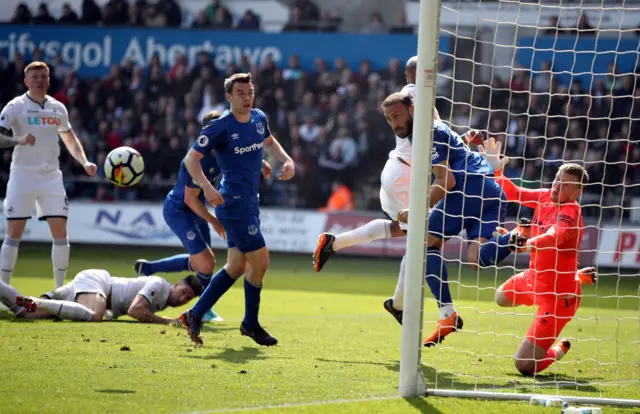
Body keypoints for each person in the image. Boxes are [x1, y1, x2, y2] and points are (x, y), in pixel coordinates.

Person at [379, 91, 513, 347]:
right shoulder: (437, 129)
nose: (394, 124)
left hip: (466, 188)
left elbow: (446, 181)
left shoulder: (425, 133)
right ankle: (515, 238)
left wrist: (418, 209)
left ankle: (447, 315)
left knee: (422, 245)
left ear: (412, 110)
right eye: (388, 119)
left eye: (396, 116)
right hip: (492, 191)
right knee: (477, 258)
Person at [178, 73, 295, 346]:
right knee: (261, 261)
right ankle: (250, 323)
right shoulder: (220, 126)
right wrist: (207, 188)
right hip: (233, 203)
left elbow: (269, 142)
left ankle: (194, 315)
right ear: (229, 97)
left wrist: (286, 161)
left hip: (250, 200)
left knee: (237, 265)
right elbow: (191, 159)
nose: (246, 97)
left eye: (250, 92)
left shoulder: (258, 118)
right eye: (240, 93)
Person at [134, 110, 273, 323]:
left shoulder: (225, 150)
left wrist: (261, 164)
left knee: (203, 261)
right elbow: (190, 199)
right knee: (206, 263)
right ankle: (203, 310)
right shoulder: (197, 159)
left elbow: (246, 156)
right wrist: (214, 221)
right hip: (180, 210)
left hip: (197, 209)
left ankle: (149, 268)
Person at [479, 138, 596, 375]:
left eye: (564, 185)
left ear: (577, 192)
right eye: (556, 181)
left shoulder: (571, 211)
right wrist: (496, 170)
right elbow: (513, 193)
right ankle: (562, 289)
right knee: (500, 298)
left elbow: (555, 235)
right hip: (534, 278)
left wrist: (527, 244)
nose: (556, 187)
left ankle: (555, 351)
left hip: (557, 298)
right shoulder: (544, 196)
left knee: (523, 365)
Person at [0, 61, 97, 289]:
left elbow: (69, 139)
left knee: (61, 233)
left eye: (44, 76)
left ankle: (59, 290)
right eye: (35, 77)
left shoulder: (58, 108)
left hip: (51, 177)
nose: (40, 80)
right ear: (26, 81)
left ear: (49, 79)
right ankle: (4, 292)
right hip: (22, 176)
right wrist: (17, 140)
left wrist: (84, 162)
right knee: (14, 233)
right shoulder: (15, 106)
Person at [0, 269, 202, 324]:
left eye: (188, 299)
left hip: (94, 290)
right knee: (94, 315)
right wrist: (165, 321)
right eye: (183, 292)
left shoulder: (164, 299)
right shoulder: (159, 285)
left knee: (25, 313)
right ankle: (40, 301)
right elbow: (135, 310)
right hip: (99, 283)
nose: (182, 299)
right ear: (176, 284)